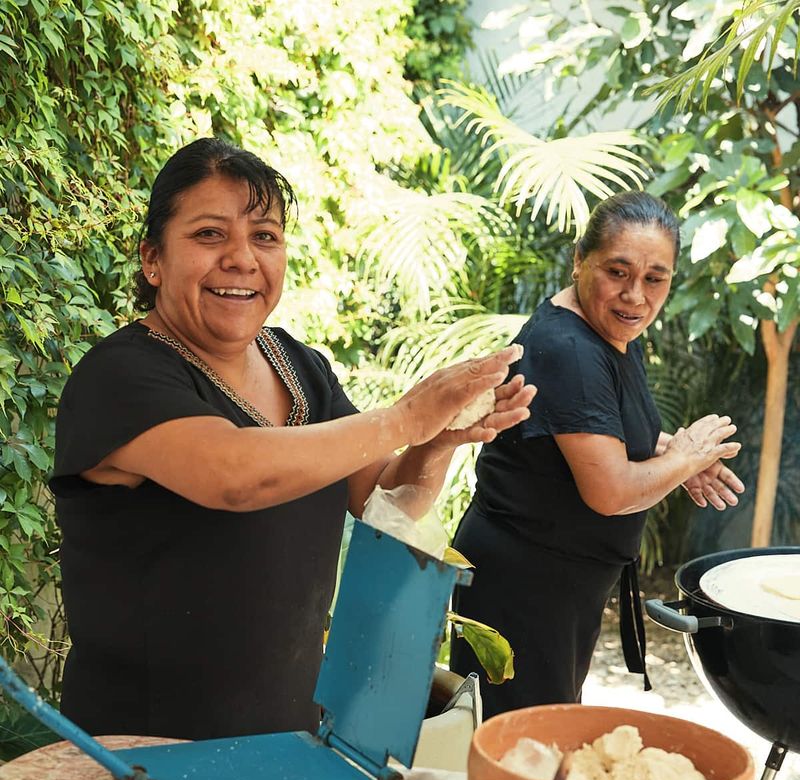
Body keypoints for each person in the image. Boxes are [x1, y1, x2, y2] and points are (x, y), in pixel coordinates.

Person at [48, 138, 536, 741]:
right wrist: (405, 417)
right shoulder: (118, 376)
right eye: (209, 235)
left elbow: (386, 505)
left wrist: (437, 443)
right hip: (144, 749)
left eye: (265, 236)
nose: (241, 259)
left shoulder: (300, 367)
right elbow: (233, 474)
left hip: (284, 738)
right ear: (153, 259)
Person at [449, 191, 744, 718]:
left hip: (550, 587)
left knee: (534, 738)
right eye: (618, 271)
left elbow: (593, 429)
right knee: (518, 753)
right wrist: (684, 459)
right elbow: (609, 491)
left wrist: (677, 454)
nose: (635, 296)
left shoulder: (599, 331)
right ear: (579, 259)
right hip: (525, 588)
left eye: (656, 278)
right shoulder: (571, 351)